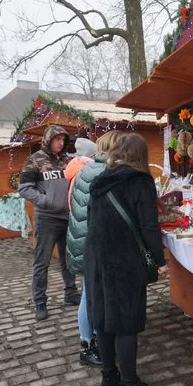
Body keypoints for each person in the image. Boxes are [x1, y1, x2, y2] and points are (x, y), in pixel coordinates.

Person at [86, 133, 168, 386]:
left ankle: (109, 380)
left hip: (97, 258)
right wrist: (160, 260)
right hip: (124, 260)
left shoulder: (99, 181)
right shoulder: (140, 181)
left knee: (104, 320)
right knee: (125, 324)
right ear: (141, 155)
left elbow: (92, 221)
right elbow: (148, 226)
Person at [65, 132, 121, 368]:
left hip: (80, 240)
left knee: (90, 293)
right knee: (91, 295)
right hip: (93, 243)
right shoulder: (104, 173)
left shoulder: (84, 170)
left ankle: (92, 340)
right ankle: (88, 345)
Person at [19, 125, 79, 321]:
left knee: (68, 259)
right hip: (47, 218)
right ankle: (40, 302)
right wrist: (45, 201)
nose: (61, 143)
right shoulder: (34, 160)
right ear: (48, 139)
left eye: (63, 139)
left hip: (68, 217)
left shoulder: (69, 160)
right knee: (42, 261)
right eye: (57, 139)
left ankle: (70, 294)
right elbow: (25, 188)